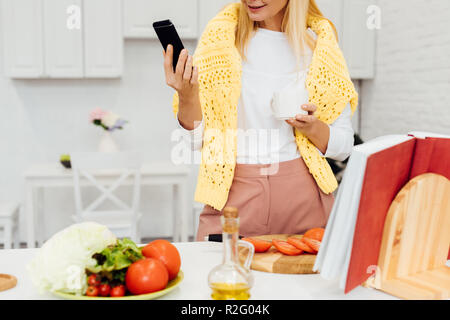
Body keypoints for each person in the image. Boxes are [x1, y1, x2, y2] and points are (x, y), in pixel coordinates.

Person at [162, 0, 358, 241]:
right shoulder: (220, 43)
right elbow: (195, 142)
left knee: (304, 278)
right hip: (234, 195)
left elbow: (344, 146)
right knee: (219, 272)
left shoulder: (321, 50)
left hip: (303, 196)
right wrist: (187, 95)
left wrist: (313, 127)